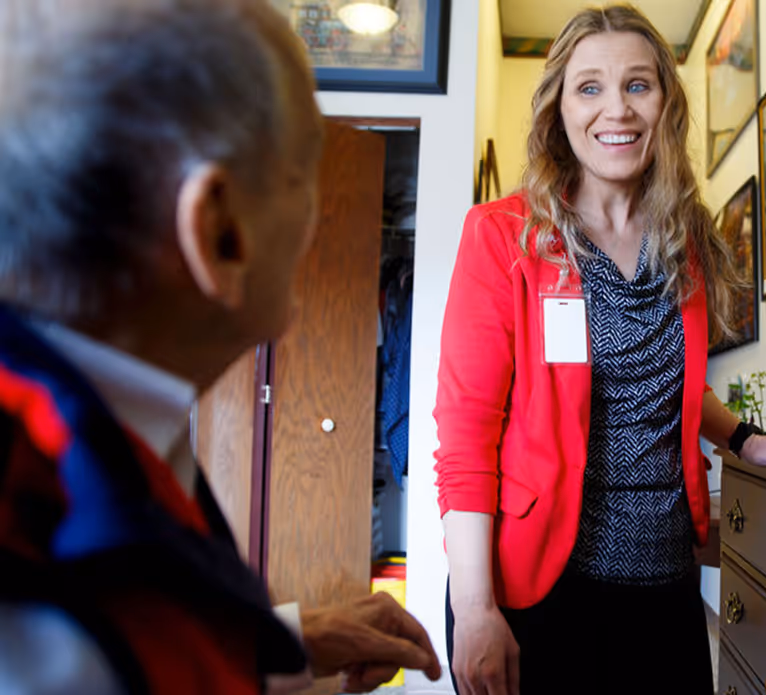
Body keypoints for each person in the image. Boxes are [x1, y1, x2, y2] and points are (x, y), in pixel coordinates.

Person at [0, 0, 440, 692]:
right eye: (305, 176)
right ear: (221, 232)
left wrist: (286, 640)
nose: (317, 212)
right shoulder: (45, 610)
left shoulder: (110, 433)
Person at [433, 6, 766, 695]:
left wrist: (746, 438)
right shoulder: (504, 237)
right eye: (589, 87)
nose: (616, 108)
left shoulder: (685, 235)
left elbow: (663, 384)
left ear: (666, 102)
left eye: (637, 85)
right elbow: (466, 436)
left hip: (666, 582)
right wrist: (474, 607)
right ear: (559, 106)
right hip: (541, 591)